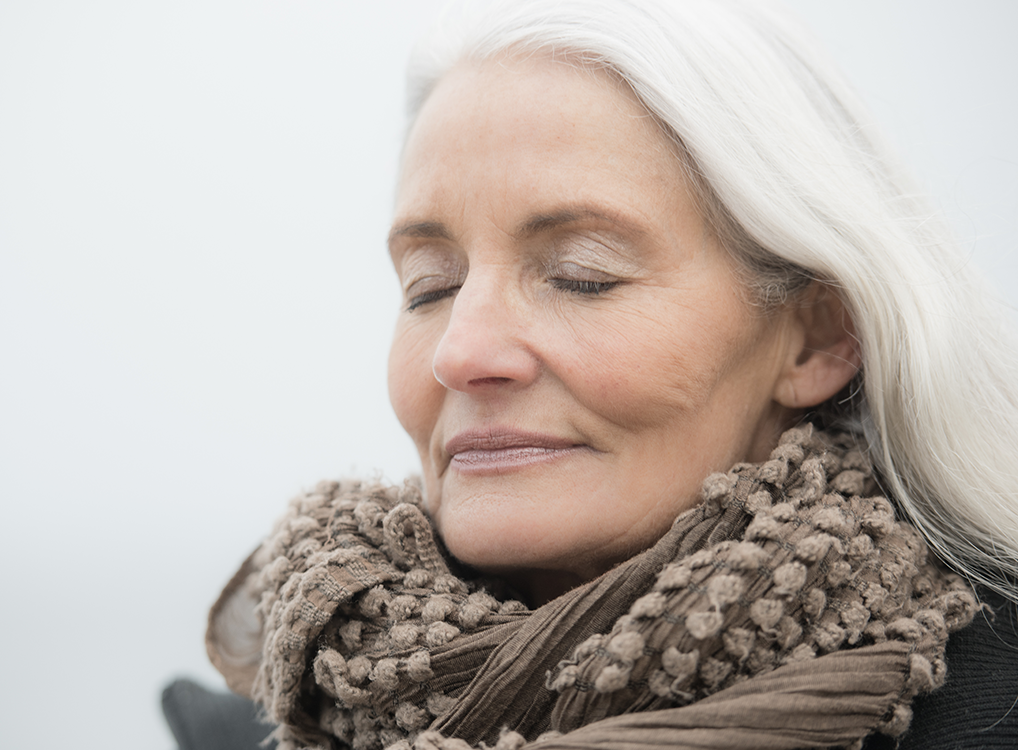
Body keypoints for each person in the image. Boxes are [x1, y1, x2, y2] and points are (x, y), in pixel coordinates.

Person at [170, 1, 1018, 748]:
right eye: (431, 285)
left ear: (817, 339)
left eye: (582, 273)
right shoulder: (266, 725)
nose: (461, 353)